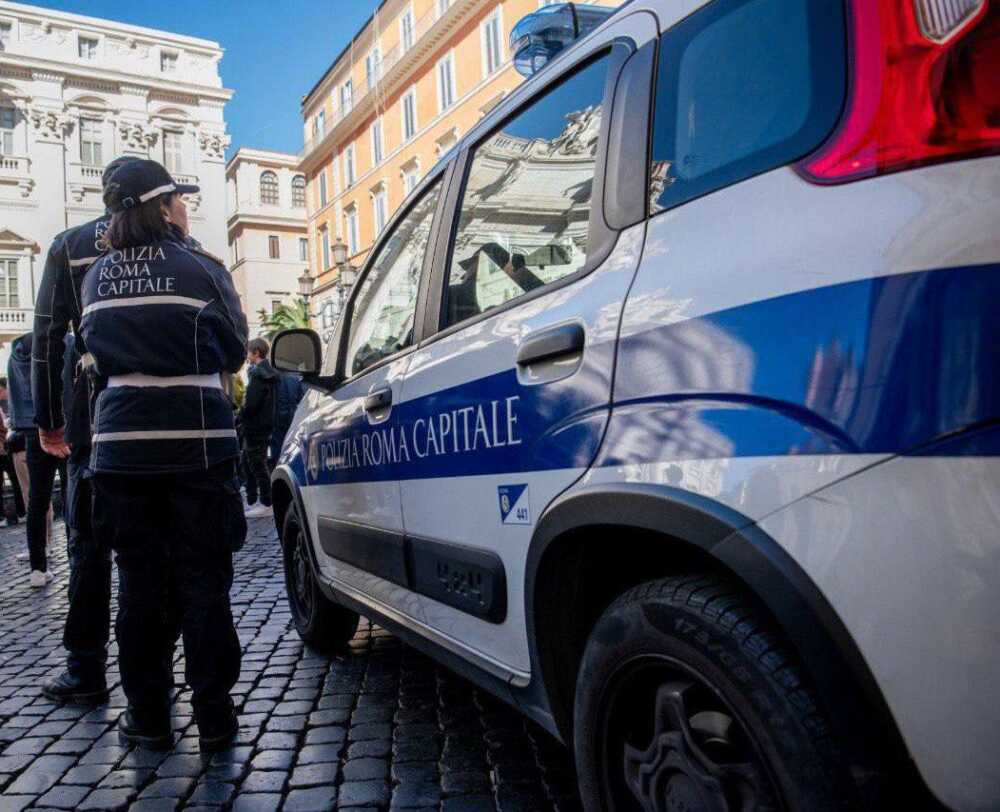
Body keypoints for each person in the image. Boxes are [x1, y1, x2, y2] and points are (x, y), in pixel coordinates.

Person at [80, 159, 248, 751]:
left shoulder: (96, 277)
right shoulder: (200, 267)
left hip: (120, 455)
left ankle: (148, 715)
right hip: (198, 447)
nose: (185, 207)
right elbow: (233, 348)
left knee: (140, 588)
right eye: (178, 197)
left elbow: (93, 352)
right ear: (160, 206)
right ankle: (215, 718)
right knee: (205, 583)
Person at [33, 155, 138, 704]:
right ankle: (151, 674)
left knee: (88, 545)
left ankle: (86, 666)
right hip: (148, 409)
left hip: (91, 413)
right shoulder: (164, 238)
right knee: (147, 547)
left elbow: (48, 338)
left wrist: (49, 421)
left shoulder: (69, 245)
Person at [8, 332, 71, 587]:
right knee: (70, 492)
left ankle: (37, 568)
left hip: (32, 429)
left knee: (37, 499)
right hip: (64, 426)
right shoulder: (64, 342)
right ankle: (75, 553)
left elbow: (15, 395)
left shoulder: (15, 354)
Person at [240, 337, 277, 518]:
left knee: (256, 463)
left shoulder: (257, 374)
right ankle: (257, 499)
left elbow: (252, 403)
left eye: (248, 352)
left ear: (256, 353)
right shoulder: (268, 373)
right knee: (251, 461)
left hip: (254, 426)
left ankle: (266, 502)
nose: (247, 355)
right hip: (263, 424)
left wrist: (242, 414)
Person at [0, 379, 26, 525]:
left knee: (17, 482)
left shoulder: (11, 404)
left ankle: (21, 513)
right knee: (17, 482)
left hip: (10, 447)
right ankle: (18, 513)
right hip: (9, 447)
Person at [269, 368, 304, 471]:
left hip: (277, 420)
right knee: (289, 447)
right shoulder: (295, 379)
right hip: (291, 420)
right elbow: (300, 399)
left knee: (276, 449)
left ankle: (276, 471)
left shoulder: (273, 378)